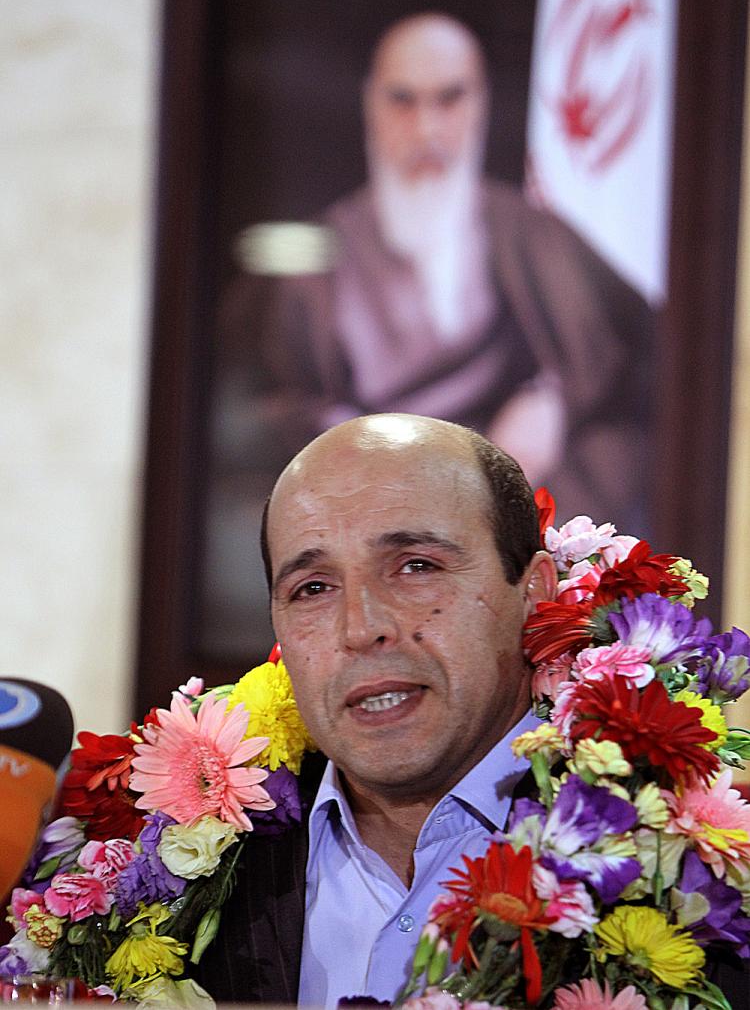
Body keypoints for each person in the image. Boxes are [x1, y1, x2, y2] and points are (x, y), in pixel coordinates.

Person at [196, 413, 746, 1007]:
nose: (360, 628)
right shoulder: (185, 877)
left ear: (535, 591)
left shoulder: (699, 875)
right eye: (313, 588)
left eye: (416, 566)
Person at [250, 13, 653, 534]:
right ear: (370, 103)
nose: (427, 129)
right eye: (403, 100)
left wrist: (553, 407)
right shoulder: (309, 267)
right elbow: (273, 420)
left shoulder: (536, 238)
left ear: (481, 102)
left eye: (449, 99)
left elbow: (628, 382)